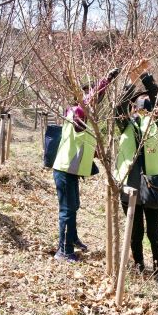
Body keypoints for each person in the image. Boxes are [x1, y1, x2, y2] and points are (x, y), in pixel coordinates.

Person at [52, 68, 120, 262]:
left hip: (71, 171)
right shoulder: (77, 113)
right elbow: (87, 102)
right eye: (93, 96)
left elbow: (82, 142)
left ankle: (71, 239)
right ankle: (63, 250)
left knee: (74, 206)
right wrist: (105, 80)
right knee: (67, 209)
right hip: (64, 170)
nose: (97, 100)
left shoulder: (84, 118)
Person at [115, 59, 158, 285]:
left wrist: (145, 76)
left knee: (154, 233)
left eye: (147, 100)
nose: (144, 101)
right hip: (130, 184)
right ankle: (138, 267)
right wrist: (130, 80)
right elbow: (119, 106)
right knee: (135, 232)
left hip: (154, 186)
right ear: (134, 106)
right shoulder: (124, 124)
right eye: (140, 99)